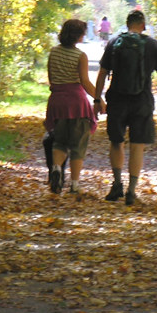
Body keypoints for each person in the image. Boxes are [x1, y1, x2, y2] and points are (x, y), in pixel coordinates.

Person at [94, 9, 157, 206]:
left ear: (127, 25)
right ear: (143, 26)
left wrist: (97, 99)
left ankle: (117, 183)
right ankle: (132, 190)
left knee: (116, 141)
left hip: (117, 100)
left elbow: (102, 73)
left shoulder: (114, 43)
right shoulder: (151, 44)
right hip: (142, 100)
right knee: (137, 144)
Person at [44, 19, 97, 195]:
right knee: (78, 145)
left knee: (59, 141)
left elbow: (51, 79)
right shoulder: (80, 56)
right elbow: (85, 82)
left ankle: (57, 169)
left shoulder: (53, 53)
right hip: (77, 103)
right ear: (78, 36)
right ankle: (74, 185)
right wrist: (99, 99)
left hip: (57, 102)